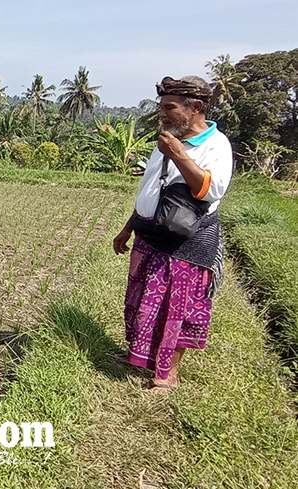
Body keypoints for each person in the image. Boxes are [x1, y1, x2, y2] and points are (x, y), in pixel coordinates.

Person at [113, 76, 233, 394]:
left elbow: (211, 189)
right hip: (150, 235)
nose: (163, 114)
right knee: (143, 304)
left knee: (177, 311)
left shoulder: (215, 145)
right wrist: (128, 227)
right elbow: (151, 189)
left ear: (195, 108)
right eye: (161, 107)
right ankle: (140, 357)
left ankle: (167, 376)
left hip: (186, 244)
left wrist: (179, 153)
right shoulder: (165, 139)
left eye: (170, 107)